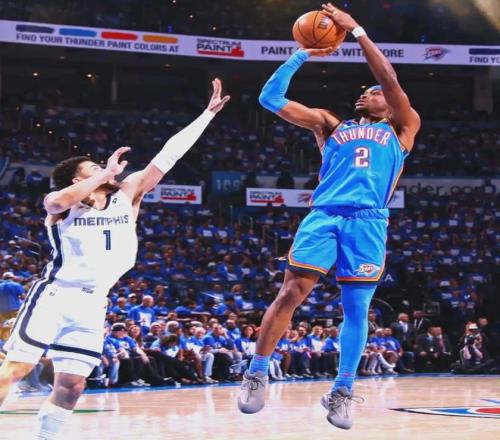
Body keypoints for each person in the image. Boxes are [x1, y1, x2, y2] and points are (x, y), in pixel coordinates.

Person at [0, 79, 229, 439]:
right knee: (16, 367)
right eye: (92, 168)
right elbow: (55, 201)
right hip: (55, 295)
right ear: (77, 179)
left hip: (94, 303)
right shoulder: (64, 205)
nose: (105, 168)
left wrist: (206, 115)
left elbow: (167, 156)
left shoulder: (128, 193)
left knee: (72, 386)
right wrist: (104, 174)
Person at [237, 3, 421, 431]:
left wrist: (356, 31)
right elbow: (269, 99)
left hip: (368, 222)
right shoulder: (329, 125)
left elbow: (388, 78)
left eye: (374, 92)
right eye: (365, 91)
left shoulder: (402, 129)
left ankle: (342, 389)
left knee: (357, 309)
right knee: (290, 293)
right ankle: (257, 372)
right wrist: (302, 53)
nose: (368, 93)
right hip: (324, 215)